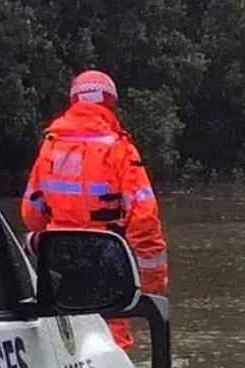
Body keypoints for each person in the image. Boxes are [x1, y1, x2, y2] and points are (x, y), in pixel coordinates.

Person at [21, 70, 168, 350]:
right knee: (110, 342)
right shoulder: (120, 150)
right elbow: (145, 220)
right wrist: (152, 286)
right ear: (110, 104)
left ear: (74, 102)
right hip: (105, 257)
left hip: (59, 260)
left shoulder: (50, 146)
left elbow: (31, 214)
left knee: (64, 341)